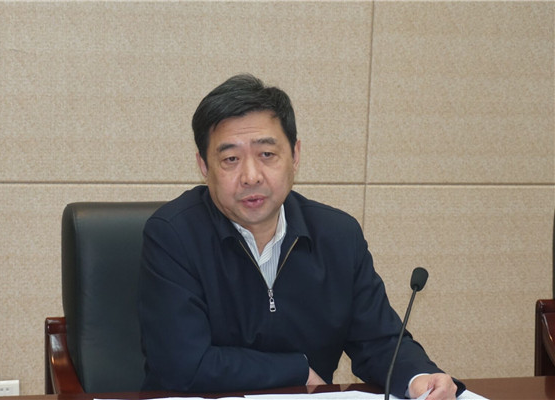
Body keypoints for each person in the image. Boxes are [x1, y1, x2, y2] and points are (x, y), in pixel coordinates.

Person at [138, 74, 465, 399]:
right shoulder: (173, 235)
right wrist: (296, 371)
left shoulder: (338, 236)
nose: (251, 176)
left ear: (295, 155)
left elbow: (379, 342)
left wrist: (419, 378)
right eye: (230, 159)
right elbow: (182, 365)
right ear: (203, 166)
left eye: (267, 154)